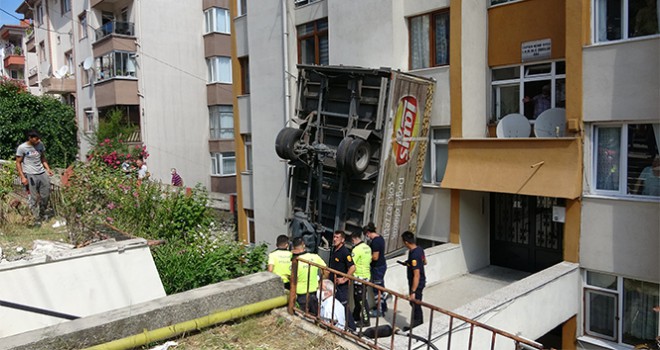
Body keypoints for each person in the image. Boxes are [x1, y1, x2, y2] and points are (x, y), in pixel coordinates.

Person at [15, 130, 54, 226]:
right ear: (30, 138)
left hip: (41, 172)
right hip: (30, 173)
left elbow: (43, 157)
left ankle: (42, 213)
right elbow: (18, 163)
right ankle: (35, 217)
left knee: (45, 194)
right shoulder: (22, 148)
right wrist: (23, 177)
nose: (38, 140)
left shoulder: (40, 145)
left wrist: (48, 168)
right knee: (33, 197)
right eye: (36, 139)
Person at [329, 230, 356, 331]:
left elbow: (352, 267)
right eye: (334, 237)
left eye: (337, 237)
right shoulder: (334, 249)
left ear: (342, 240)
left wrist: (344, 279)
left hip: (341, 286)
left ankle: (352, 327)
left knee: (344, 305)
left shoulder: (345, 252)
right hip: (333, 283)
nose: (334, 239)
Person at [291, 237, 326, 315]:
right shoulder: (314, 257)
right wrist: (321, 281)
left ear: (293, 247)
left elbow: (292, 278)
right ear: (303, 245)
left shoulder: (294, 260)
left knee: (301, 318)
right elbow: (326, 270)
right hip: (313, 294)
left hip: (301, 295)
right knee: (315, 318)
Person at [402, 231, 426, 331]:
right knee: (415, 303)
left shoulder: (414, 255)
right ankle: (418, 322)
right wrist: (409, 263)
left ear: (406, 242)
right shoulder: (419, 249)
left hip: (416, 283)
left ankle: (418, 324)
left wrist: (413, 291)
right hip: (419, 282)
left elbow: (416, 275)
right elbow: (424, 262)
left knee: (415, 303)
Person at [365, 222, 388, 317]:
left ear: (368, 232)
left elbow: (375, 257)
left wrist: (366, 259)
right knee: (381, 288)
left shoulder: (375, 242)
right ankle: (383, 306)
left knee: (377, 290)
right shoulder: (380, 238)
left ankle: (379, 310)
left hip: (377, 268)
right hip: (381, 266)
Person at [350, 230, 372, 327]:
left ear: (354, 239)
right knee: (358, 297)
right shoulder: (367, 247)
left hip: (359, 277)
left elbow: (351, 264)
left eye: (352, 241)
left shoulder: (356, 250)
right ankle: (355, 315)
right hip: (366, 276)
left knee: (361, 299)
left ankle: (366, 320)